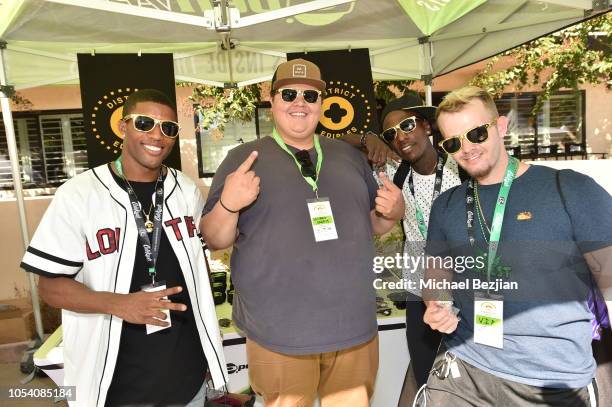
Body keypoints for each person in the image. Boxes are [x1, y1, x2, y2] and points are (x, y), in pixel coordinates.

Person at [200, 58, 405, 407]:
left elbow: (370, 224)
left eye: (310, 96)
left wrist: (393, 214)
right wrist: (229, 205)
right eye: (289, 93)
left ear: (321, 105)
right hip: (279, 333)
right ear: (273, 99)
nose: (300, 103)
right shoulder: (242, 159)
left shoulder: (348, 157)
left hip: (352, 328)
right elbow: (215, 239)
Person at [21, 89, 228, 407]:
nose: (157, 135)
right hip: (114, 384)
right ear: (123, 126)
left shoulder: (185, 191)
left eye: (168, 127)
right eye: (145, 123)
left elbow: (210, 250)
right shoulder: (79, 195)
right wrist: (120, 304)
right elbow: (50, 287)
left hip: (186, 379)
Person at [421, 85, 612, 406]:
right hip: (465, 367)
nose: (466, 148)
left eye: (477, 133)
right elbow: (436, 276)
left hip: (551, 378)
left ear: (501, 126)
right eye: (453, 142)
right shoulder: (446, 205)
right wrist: (436, 304)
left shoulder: (569, 189)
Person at [375, 94, 463, 395]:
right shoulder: (393, 176)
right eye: (390, 134)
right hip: (419, 293)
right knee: (427, 377)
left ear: (426, 126)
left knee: (472, 380)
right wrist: (365, 138)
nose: (400, 136)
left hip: (466, 291)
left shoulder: (462, 168)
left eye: (407, 125)